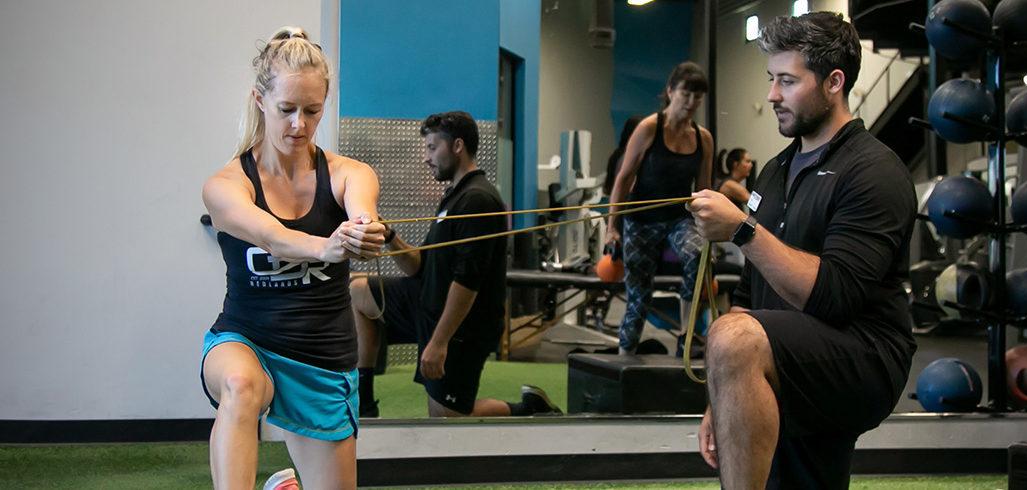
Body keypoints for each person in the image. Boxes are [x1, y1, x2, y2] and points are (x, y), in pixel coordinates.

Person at [688, 13, 917, 489]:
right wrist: (724, 388)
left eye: (787, 81)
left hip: (865, 353)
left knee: (734, 337)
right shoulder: (774, 170)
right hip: (789, 346)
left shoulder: (875, 170)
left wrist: (742, 230)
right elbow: (750, 293)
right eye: (772, 79)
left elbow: (835, 297)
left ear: (834, 82)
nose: (772, 95)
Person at [200, 26, 386, 489]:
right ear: (260, 100)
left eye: (311, 110)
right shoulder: (225, 186)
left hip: (323, 355)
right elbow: (273, 236)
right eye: (287, 110)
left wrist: (364, 230)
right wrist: (325, 246)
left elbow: (363, 209)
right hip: (246, 340)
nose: (299, 125)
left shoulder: (349, 173)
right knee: (241, 388)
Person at [349, 111, 560, 418]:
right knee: (358, 292)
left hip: (463, 326)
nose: (426, 157)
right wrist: (389, 234)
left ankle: (528, 409)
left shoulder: (478, 200)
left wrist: (438, 343)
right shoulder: (454, 197)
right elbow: (419, 265)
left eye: (433, 148)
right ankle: (364, 404)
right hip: (427, 302)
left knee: (445, 418)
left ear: (457, 146)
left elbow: (468, 282)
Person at [606, 61, 714, 356]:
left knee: (698, 255)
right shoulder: (649, 128)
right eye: (686, 94)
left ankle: (686, 336)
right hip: (641, 222)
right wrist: (611, 228)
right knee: (639, 298)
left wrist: (709, 234)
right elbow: (623, 178)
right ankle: (623, 360)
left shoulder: (703, 139)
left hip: (679, 220)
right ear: (670, 91)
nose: (692, 102)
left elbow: (704, 190)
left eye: (698, 96)